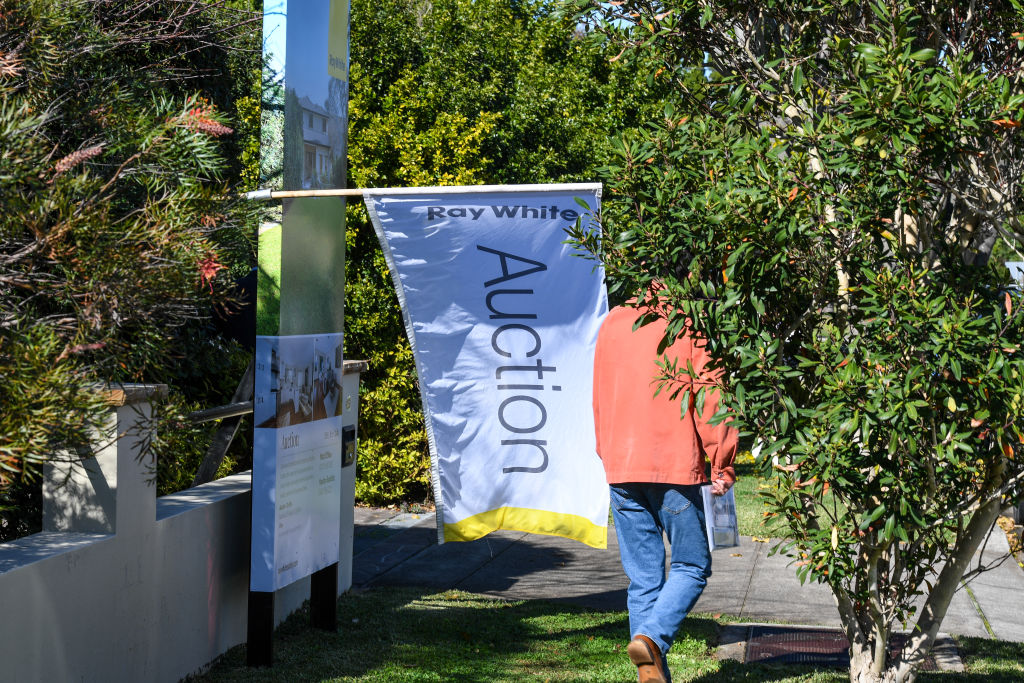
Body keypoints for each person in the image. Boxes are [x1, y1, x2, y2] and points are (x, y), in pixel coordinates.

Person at [592, 299, 737, 683]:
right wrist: (721, 460)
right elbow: (711, 397)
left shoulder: (614, 320)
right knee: (692, 565)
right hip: (674, 467)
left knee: (644, 579)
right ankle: (651, 637)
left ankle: (651, 673)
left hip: (621, 464)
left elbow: (600, 393)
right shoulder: (689, 321)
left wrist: (607, 451)